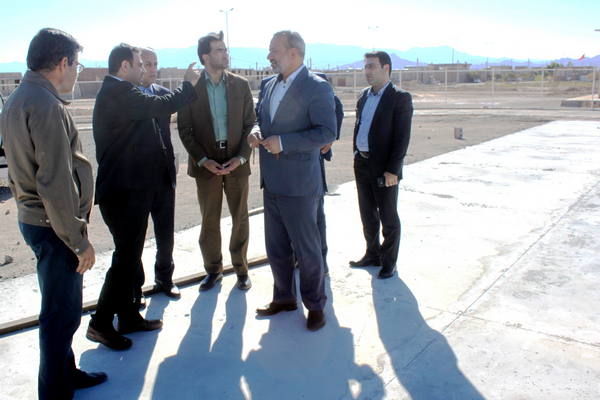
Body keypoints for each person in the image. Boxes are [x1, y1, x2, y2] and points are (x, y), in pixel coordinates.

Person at [0, 28, 107, 399]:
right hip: (55, 226)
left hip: (37, 220)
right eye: (77, 64)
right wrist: (78, 241)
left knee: (59, 308)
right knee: (60, 316)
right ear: (63, 63)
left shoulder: (19, 97)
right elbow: (55, 183)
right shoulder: (45, 105)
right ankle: (54, 392)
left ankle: (66, 373)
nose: (77, 72)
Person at [87, 43, 198, 351]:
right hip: (123, 191)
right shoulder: (118, 92)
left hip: (130, 189)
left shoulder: (119, 91)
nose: (143, 69)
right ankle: (100, 324)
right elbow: (159, 105)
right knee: (125, 261)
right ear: (124, 66)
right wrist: (187, 85)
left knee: (129, 257)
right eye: (139, 64)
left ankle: (128, 316)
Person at [248, 31, 336, 331]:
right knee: (276, 248)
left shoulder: (317, 87)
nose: (269, 56)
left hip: (299, 184)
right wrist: (257, 131)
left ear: (293, 53)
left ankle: (315, 305)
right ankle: (284, 297)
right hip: (271, 181)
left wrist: (284, 143)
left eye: (274, 50)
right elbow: (262, 118)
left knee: (307, 250)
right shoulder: (268, 84)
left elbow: (326, 131)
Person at [178, 31, 255, 292]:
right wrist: (203, 160)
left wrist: (241, 157)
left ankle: (241, 270)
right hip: (206, 164)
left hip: (236, 161)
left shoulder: (240, 85)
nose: (225, 54)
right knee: (209, 220)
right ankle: (213, 270)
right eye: (219, 50)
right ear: (205, 57)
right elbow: (185, 129)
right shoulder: (191, 88)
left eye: (225, 49)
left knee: (240, 218)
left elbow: (250, 124)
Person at [255, 73, 343, 276]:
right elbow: (258, 115)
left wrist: (330, 139)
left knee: (314, 216)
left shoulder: (315, 81)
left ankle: (320, 262)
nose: (271, 59)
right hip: (277, 167)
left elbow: (336, 108)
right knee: (286, 222)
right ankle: (296, 261)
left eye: (275, 56)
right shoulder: (267, 84)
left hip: (307, 164)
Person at [348, 51, 413, 279]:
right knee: (367, 214)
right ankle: (372, 254)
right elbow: (359, 126)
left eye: (372, 66)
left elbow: (402, 138)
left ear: (386, 68)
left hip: (385, 169)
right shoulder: (363, 96)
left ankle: (389, 262)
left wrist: (393, 170)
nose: (367, 71)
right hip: (362, 163)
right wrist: (356, 153)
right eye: (365, 67)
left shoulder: (400, 98)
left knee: (388, 217)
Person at [133, 47, 181, 309]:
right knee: (136, 237)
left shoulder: (164, 95)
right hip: (138, 180)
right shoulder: (128, 97)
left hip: (164, 176)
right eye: (146, 64)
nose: (152, 69)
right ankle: (135, 288)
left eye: (155, 64)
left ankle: (164, 278)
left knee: (165, 235)